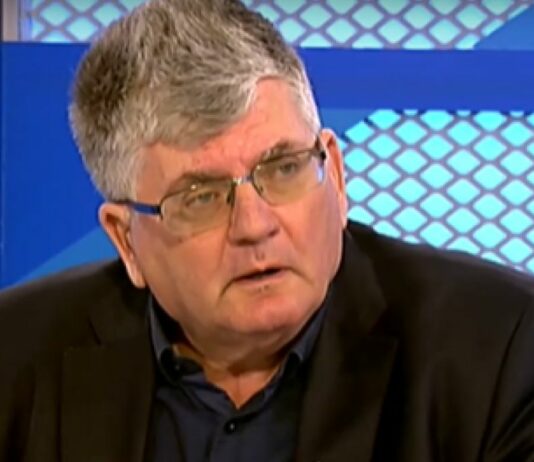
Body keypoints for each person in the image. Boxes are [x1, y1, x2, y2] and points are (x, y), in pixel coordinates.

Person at [1, 0, 534, 460]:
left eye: (283, 169)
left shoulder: (501, 351)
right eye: (202, 197)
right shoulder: (16, 357)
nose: (255, 227)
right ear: (126, 240)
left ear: (336, 175)